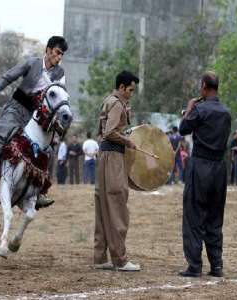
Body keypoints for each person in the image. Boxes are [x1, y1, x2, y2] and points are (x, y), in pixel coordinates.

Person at [0, 36, 68, 205]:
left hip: (36, 115)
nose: (59, 58)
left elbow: (60, 96)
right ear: (48, 49)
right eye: (57, 53)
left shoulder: (60, 73)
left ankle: (39, 192)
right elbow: (8, 77)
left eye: (62, 55)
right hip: (16, 107)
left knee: (47, 149)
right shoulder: (32, 63)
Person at [178, 71, 231, 277]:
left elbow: (183, 129)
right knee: (215, 217)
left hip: (200, 165)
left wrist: (190, 108)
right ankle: (216, 265)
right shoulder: (226, 112)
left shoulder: (199, 109)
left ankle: (194, 265)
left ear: (203, 87)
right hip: (219, 168)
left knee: (194, 215)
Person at [93, 70, 139, 272]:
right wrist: (127, 141)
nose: (131, 93)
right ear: (122, 87)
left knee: (103, 205)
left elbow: (101, 132)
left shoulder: (107, 101)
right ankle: (120, 259)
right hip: (113, 158)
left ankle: (100, 256)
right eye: (130, 90)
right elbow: (110, 132)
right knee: (117, 202)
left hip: (104, 157)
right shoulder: (117, 104)